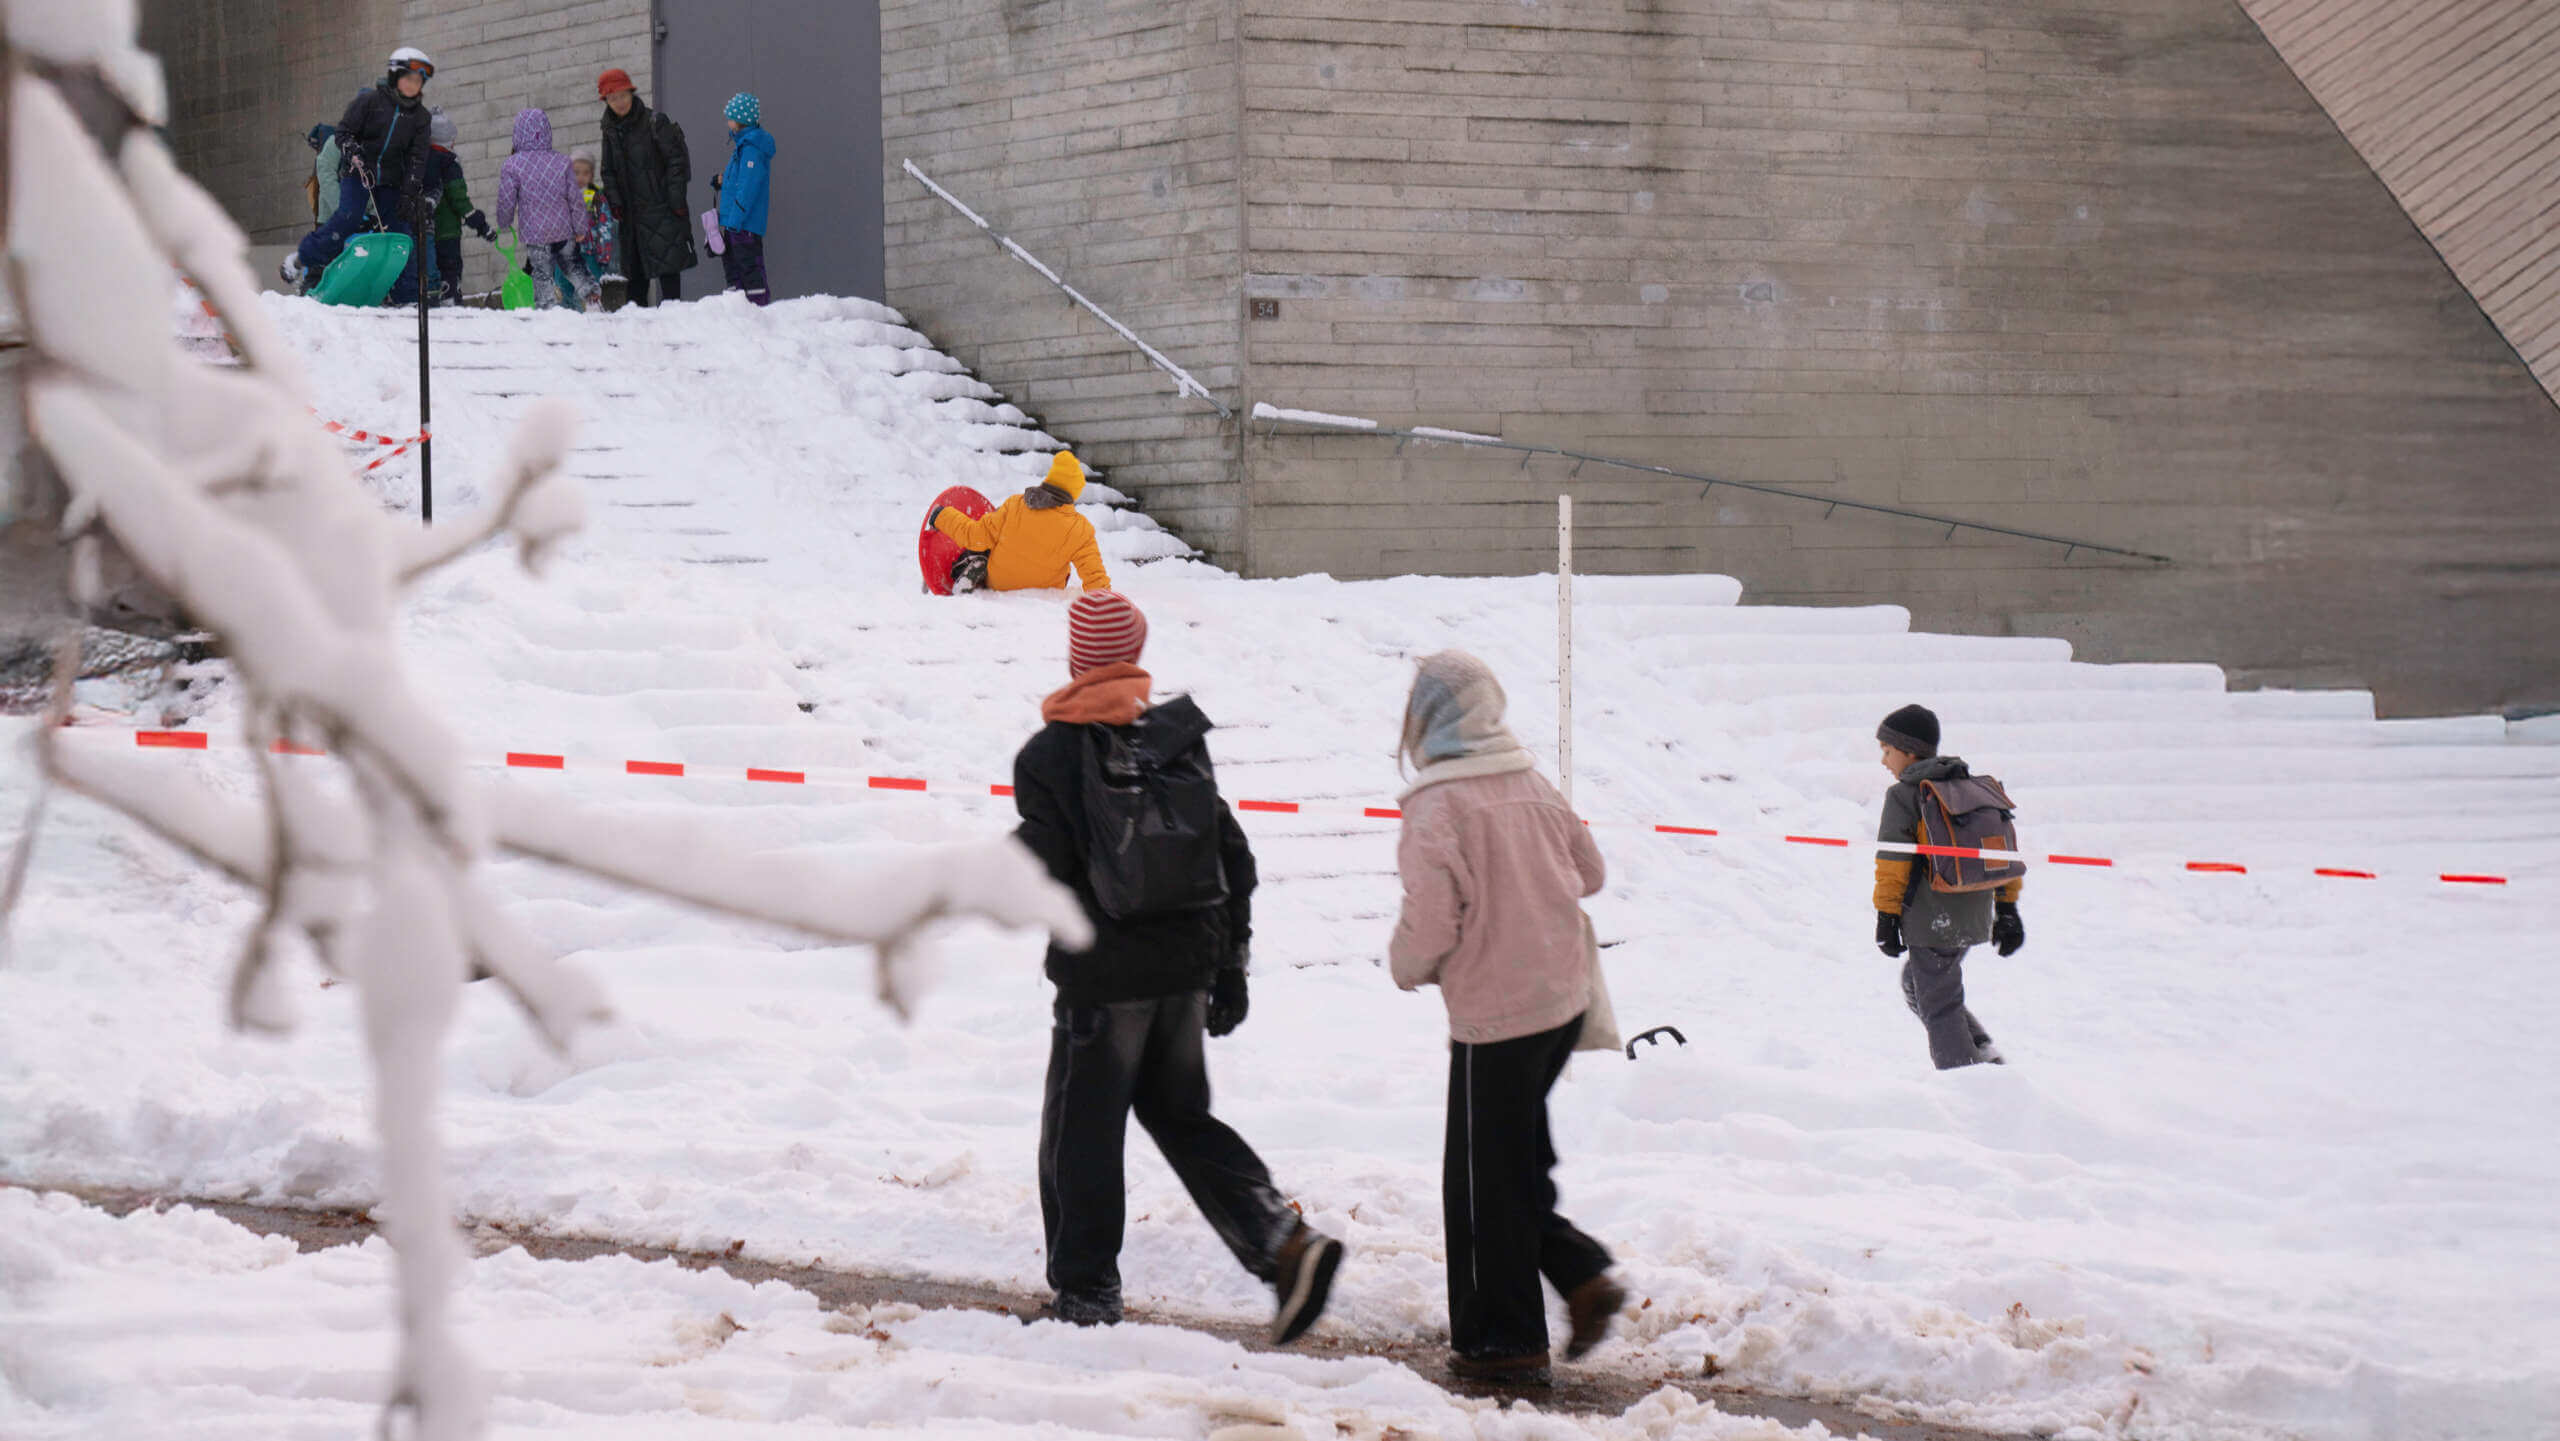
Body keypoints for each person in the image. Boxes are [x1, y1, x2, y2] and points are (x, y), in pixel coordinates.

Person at [1008, 591, 1346, 1341]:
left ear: (1077, 658)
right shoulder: (1177, 744)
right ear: (1135, 656)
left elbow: (1042, 867)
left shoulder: (1052, 753)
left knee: (1081, 1130)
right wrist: (1231, 964)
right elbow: (1233, 856)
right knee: (1181, 1115)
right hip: (1186, 969)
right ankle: (1285, 1244)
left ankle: (1086, 1293)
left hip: (1103, 982)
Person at [1388, 650, 1624, 1389]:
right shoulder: (1533, 783)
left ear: (1425, 718)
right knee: (1512, 1160)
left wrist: (1405, 963)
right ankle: (1578, 1273)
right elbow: (1591, 873)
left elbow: (1431, 923)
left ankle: (1503, 1342)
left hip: (1495, 1016)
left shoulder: (1435, 806)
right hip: (1561, 1000)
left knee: (1479, 1183)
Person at [1871, 703, 2027, 1070]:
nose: (1883, 761)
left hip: (1932, 917)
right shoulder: (1972, 789)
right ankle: (1982, 1050)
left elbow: (1893, 862)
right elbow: (2001, 851)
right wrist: (2007, 908)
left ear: (1909, 751)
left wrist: (1886, 916)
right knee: (1920, 982)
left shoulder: (1904, 795)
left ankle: (1966, 1076)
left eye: (1887, 750)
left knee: (1938, 1003)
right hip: (1973, 913)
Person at [283, 48, 437, 289]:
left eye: (418, 81)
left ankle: (405, 296)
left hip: (391, 182)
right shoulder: (370, 103)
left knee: (400, 234)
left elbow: (418, 158)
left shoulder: (421, 118)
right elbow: (343, 132)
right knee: (348, 219)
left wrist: (409, 192)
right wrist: (352, 150)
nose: (412, 85)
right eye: (408, 79)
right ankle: (301, 259)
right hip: (359, 175)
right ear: (395, 76)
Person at [928, 452, 1111, 593]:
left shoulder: (1015, 505)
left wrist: (942, 516)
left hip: (1000, 583)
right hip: (1045, 590)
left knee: (985, 543)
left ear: (1048, 481)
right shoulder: (1080, 529)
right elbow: (1094, 575)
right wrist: (1107, 605)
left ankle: (971, 565)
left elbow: (975, 536)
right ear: (1073, 493)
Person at [596, 68, 696, 307]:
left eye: (623, 95)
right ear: (606, 101)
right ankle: (640, 328)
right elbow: (608, 171)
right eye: (612, 98)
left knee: (668, 274)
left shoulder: (655, 122)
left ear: (631, 93)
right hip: (631, 217)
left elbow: (676, 161)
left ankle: (676, 323)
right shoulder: (609, 131)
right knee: (635, 285)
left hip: (661, 210)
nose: (619, 102)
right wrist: (615, 202)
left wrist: (675, 198)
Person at [494, 108, 595, 311]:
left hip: (536, 234)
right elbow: (575, 199)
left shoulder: (512, 165)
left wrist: (504, 222)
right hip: (563, 229)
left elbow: (506, 199)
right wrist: (580, 228)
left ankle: (547, 308)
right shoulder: (562, 161)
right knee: (572, 265)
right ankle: (593, 298)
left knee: (541, 272)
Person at [389, 109, 491, 308]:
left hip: (428, 227)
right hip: (449, 229)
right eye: (452, 140)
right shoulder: (449, 163)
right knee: (451, 267)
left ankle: (435, 293)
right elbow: (458, 198)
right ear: (446, 140)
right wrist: (478, 221)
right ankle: (450, 297)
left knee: (431, 262)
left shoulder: (420, 161)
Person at [713, 92, 776, 305]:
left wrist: (736, 220)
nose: (727, 121)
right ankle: (739, 310)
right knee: (734, 269)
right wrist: (721, 181)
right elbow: (738, 181)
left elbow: (748, 187)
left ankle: (758, 307)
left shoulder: (751, 149)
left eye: (730, 117)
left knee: (749, 269)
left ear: (740, 120)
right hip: (735, 223)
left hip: (743, 224)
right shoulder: (742, 146)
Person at [569, 152, 623, 307]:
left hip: (590, 251)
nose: (580, 177)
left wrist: (604, 253)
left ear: (592, 175)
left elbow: (605, 225)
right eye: (576, 173)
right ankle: (569, 310)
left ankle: (595, 308)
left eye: (585, 173)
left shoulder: (596, 197)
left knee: (594, 283)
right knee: (566, 284)